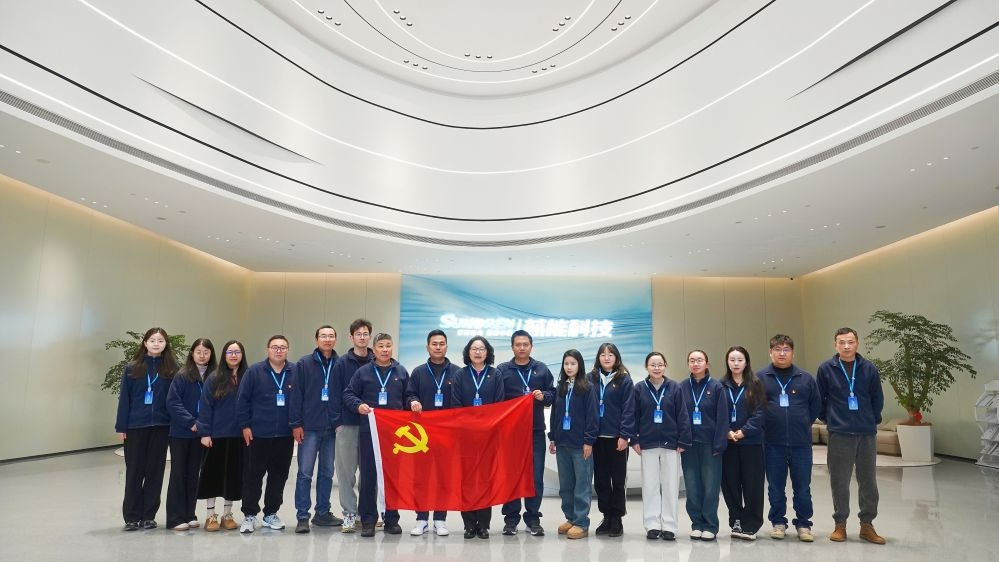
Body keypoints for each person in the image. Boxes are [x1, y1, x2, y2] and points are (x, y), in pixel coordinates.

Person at [817, 328, 886, 545]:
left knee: (868, 481)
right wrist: (832, 420)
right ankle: (840, 525)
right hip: (840, 433)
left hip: (866, 432)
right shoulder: (826, 369)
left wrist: (870, 420)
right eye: (842, 342)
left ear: (857, 344)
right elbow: (820, 399)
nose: (846, 346)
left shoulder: (869, 368)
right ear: (835, 344)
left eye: (850, 342)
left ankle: (867, 525)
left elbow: (877, 399)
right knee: (839, 481)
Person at [343, 332, 410, 537]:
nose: (385, 349)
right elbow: (348, 394)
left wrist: (413, 402)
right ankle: (368, 520)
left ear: (392, 348)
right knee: (369, 476)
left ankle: (391, 519)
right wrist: (358, 405)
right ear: (374, 349)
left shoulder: (401, 371)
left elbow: (408, 396)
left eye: (388, 346)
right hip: (369, 432)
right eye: (381, 346)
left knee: (392, 477)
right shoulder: (363, 372)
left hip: (394, 435)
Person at [757, 334, 821, 542]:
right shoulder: (760, 378)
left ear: (793, 352)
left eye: (786, 349)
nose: (782, 353)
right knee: (775, 487)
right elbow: (754, 407)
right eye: (777, 349)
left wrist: (801, 423)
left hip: (801, 443)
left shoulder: (805, 378)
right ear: (770, 352)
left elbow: (815, 407)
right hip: (772, 442)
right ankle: (778, 522)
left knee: (802, 487)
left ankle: (804, 524)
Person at [115, 327, 179, 531]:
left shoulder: (172, 369)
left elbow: (176, 400)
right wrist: (121, 425)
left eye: (160, 340)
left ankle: (148, 516)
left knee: (155, 472)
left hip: (162, 427)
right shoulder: (132, 368)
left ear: (165, 344)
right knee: (134, 472)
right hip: (135, 426)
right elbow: (124, 399)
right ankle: (131, 517)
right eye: (152, 340)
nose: (156, 344)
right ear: (145, 343)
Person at [236, 335, 296, 534]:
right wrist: (245, 426)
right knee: (252, 476)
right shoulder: (254, 371)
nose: (279, 350)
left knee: (279, 476)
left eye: (282, 347)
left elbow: (300, 401)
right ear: (268, 349)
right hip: (257, 435)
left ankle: (271, 513)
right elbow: (242, 400)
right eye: (275, 347)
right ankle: (249, 515)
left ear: (287, 350)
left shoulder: (295, 371)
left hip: (284, 436)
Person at [497, 330, 555, 536]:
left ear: (531, 346)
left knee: (535, 477)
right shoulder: (502, 370)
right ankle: (511, 520)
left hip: (535, 432)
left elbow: (553, 395)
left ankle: (533, 519)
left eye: (525, 344)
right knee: (511, 476)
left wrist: (543, 395)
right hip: (510, 434)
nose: (522, 348)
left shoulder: (541, 369)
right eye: (518, 344)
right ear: (512, 347)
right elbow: (496, 400)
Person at [406, 329, 460, 537]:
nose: (438, 347)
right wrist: (413, 401)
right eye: (434, 344)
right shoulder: (419, 372)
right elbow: (409, 394)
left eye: (441, 343)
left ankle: (440, 519)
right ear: (427, 347)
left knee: (443, 477)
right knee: (422, 477)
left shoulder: (457, 372)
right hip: (423, 435)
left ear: (446, 346)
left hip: (447, 434)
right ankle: (421, 519)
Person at [289, 325, 343, 534]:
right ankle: (302, 516)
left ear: (335, 339)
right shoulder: (304, 364)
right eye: (323, 336)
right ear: (316, 339)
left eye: (331, 336)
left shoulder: (340, 363)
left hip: (332, 429)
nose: (327, 339)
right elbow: (296, 395)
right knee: (305, 473)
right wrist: (296, 424)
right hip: (309, 428)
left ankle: (322, 513)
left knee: (327, 473)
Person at [631, 352, 690, 541]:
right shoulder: (639, 388)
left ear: (665, 366)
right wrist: (634, 440)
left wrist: (683, 439)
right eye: (652, 365)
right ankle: (652, 525)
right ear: (646, 367)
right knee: (650, 486)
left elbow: (682, 414)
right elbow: (633, 415)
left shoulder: (675, 387)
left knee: (671, 486)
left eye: (660, 364)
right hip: (647, 444)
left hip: (671, 444)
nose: (656, 368)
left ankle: (670, 526)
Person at [452, 336, 506, 539]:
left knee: (485, 480)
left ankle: (483, 525)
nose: (477, 352)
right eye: (474, 348)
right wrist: (469, 426)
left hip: (488, 437)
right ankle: (469, 524)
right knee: (466, 481)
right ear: (468, 352)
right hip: (465, 436)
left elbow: (499, 404)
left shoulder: (495, 374)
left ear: (487, 352)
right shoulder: (460, 375)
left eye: (482, 348)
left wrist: (486, 426)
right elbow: (456, 405)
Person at [165, 338, 216, 531]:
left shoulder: (214, 376)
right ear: (192, 353)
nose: (202, 356)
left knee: (194, 474)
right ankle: (175, 518)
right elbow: (173, 402)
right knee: (179, 474)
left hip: (201, 434)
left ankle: (189, 514)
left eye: (206, 352)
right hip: (182, 433)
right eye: (198, 352)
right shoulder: (182, 375)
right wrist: (191, 422)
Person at [197, 340, 247, 532]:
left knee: (232, 477)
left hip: (238, 435)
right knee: (212, 476)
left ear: (242, 355)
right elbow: (205, 406)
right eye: (229, 352)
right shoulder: (214, 377)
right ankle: (210, 516)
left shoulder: (247, 376)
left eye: (237, 352)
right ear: (224, 355)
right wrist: (205, 433)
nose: (233, 355)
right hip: (216, 436)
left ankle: (227, 514)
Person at [548, 349, 598, 540]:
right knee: (566, 485)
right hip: (562, 444)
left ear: (580, 365)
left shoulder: (587, 387)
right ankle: (570, 518)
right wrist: (553, 437)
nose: (569, 367)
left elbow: (592, 416)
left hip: (580, 445)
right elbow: (555, 415)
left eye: (573, 364)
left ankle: (581, 522)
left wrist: (588, 441)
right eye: (566, 364)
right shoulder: (560, 387)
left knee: (581, 485)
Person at [679, 349, 728, 541]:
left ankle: (710, 525)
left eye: (699, 360)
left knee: (710, 487)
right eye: (692, 360)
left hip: (710, 445)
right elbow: (678, 416)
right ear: (688, 364)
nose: (696, 363)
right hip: (689, 445)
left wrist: (719, 444)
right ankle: (696, 524)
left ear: (707, 364)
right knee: (692, 487)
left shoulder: (716, 387)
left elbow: (722, 418)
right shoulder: (682, 387)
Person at [588, 342, 636, 538]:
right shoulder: (590, 378)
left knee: (617, 480)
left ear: (616, 357)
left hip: (617, 439)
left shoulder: (624, 379)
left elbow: (629, 409)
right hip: (596, 438)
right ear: (598, 358)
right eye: (603, 354)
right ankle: (606, 516)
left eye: (610, 354)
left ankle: (617, 518)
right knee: (600, 480)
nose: (606, 358)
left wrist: (625, 435)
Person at [330, 319, 373, 533]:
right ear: (351, 337)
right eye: (358, 334)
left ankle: (366, 513)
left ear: (370, 337)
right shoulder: (341, 363)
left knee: (369, 473)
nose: (362, 337)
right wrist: (337, 423)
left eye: (365, 334)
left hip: (372, 427)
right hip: (347, 425)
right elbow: (334, 394)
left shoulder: (378, 361)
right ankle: (349, 513)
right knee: (346, 473)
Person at [720, 346, 766, 541]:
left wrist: (744, 431)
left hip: (751, 443)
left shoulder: (756, 384)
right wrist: (727, 431)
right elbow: (717, 413)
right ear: (727, 362)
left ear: (746, 362)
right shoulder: (720, 386)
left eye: (740, 360)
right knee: (730, 484)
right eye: (732, 360)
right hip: (728, 444)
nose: (736, 363)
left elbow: (760, 412)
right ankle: (736, 520)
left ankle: (751, 524)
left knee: (752, 485)